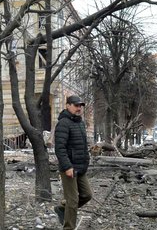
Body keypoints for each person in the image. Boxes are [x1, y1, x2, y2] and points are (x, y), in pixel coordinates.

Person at [54, 95, 92, 229]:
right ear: (68, 105)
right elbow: (59, 148)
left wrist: (86, 161)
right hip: (69, 168)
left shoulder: (80, 123)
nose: (79, 108)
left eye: (80, 106)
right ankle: (69, 227)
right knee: (73, 200)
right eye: (76, 105)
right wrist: (67, 166)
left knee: (87, 195)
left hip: (80, 167)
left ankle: (62, 208)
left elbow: (82, 145)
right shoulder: (63, 123)